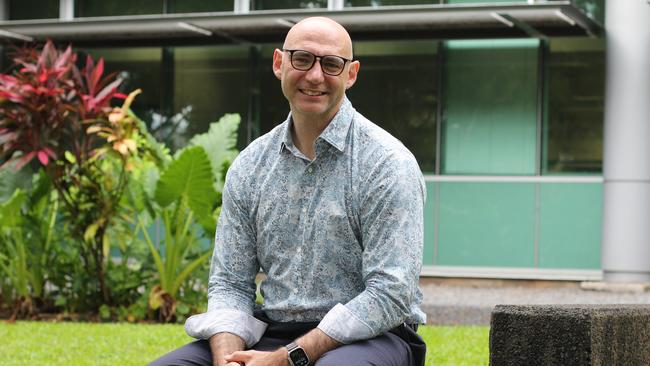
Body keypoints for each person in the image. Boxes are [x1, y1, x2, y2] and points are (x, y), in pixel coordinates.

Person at [150, 16, 426, 366]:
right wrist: (227, 359)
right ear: (279, 64)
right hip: (274, 329)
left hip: (374, 336)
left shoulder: (387, 164)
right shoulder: (251, 166)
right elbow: (230, 284)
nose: (314, 75)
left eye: (331, 63)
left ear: (351, 74)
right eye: (302, 59)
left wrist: (288, 358)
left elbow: (391, 294)